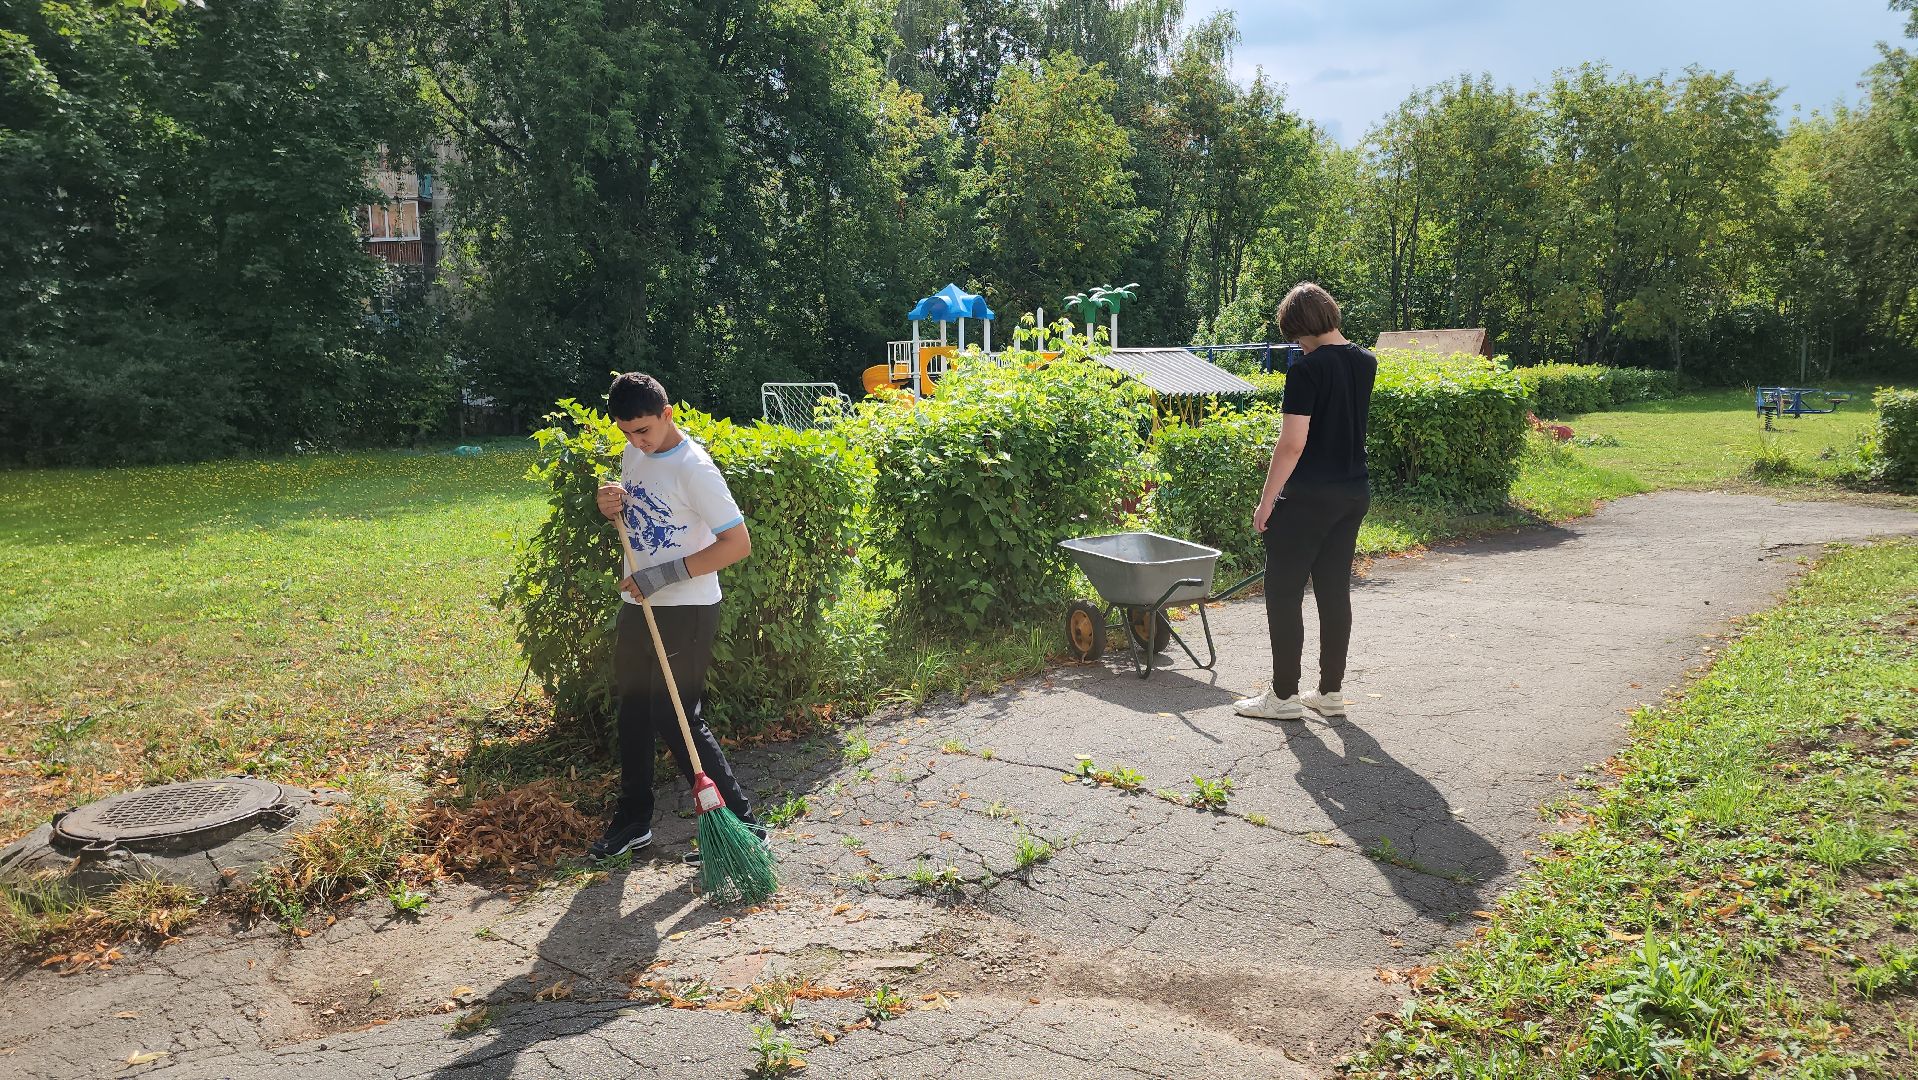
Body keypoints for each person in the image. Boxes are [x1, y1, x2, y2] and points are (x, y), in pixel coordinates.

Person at [588, 372, 762, 860]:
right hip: (637, 606)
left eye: (643, 430)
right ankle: (634, 820)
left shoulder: (696, 469)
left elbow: (737, 544)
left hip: (686, 610)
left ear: (667, 415)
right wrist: (611, 504)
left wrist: (661, 577)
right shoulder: (635, 453)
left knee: (676, 715)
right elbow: (637, 513)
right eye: (625, 433)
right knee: (634, 714)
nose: (635, 442)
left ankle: (743, 826)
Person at [1235, 284, 1376, 722]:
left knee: (1283, 593)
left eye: (1294, 334)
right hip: (1353, 492)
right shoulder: (1365, 361)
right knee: (1334, 591)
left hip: (1309, 497)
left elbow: (1292, 444)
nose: (1295, 343)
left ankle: (1282, 697)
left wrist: (1266, 502)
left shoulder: (1306, 371)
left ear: (1302, 328)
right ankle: (1330, 692)